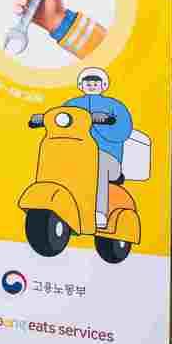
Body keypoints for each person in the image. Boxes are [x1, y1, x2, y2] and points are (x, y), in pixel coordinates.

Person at [66, 67, 133, 228]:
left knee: (98, 161)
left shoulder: (114, 106)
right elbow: (59, 118)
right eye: (87, 82)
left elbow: (124, 130)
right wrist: (42, 119)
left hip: (108, 158)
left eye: (96, 82)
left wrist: (102, 122)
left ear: (103, 85)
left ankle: (99, 212)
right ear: (81, 85)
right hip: (78, 154)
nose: (92, 85)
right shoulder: (72, 104)